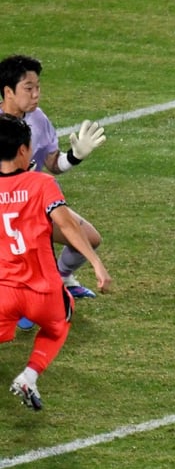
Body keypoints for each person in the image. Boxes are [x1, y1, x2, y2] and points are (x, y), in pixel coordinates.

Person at [0, 114, 112, 410]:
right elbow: (69, 225)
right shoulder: (41, 184)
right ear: (23, 151)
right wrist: (97, 263)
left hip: (5, 292)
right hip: (43, 291)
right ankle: (29, 375)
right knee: (59, 323)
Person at [0, 54, 106, 303]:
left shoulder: (38, 119)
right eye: (29, 88)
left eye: (38, 87)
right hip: (6, 208)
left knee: (89, 239)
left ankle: (62, 278)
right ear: (8, 91)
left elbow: (52, 163)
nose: (36, 94)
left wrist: (75, 156)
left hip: (32, 206)